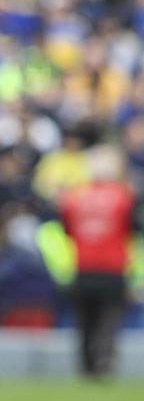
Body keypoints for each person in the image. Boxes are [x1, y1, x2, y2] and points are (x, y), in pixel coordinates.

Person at [57, 145, 137, 378]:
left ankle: (86, 368)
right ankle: (103, 366)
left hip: (83, 266)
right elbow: (132, 230)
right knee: (108, 323)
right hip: (112, 268)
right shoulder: (124, 197)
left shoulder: (74, 197)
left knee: (85, 324)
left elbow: (67, 230)